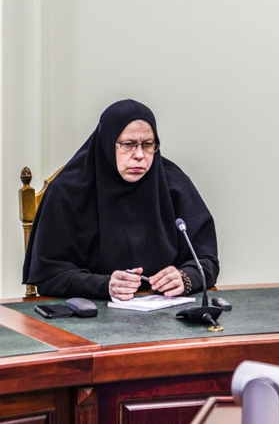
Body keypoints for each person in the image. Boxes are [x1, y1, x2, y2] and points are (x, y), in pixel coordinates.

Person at [23, 99, 219, 301]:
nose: (140, 155)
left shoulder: (174, 184)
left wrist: (186, 278)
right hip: (93, 312)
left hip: (168, 310)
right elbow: (49, 276)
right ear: (107, 143)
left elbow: (207, 260)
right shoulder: (68, 191)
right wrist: (104, 285)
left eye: (148, 145)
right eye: (128, 145)